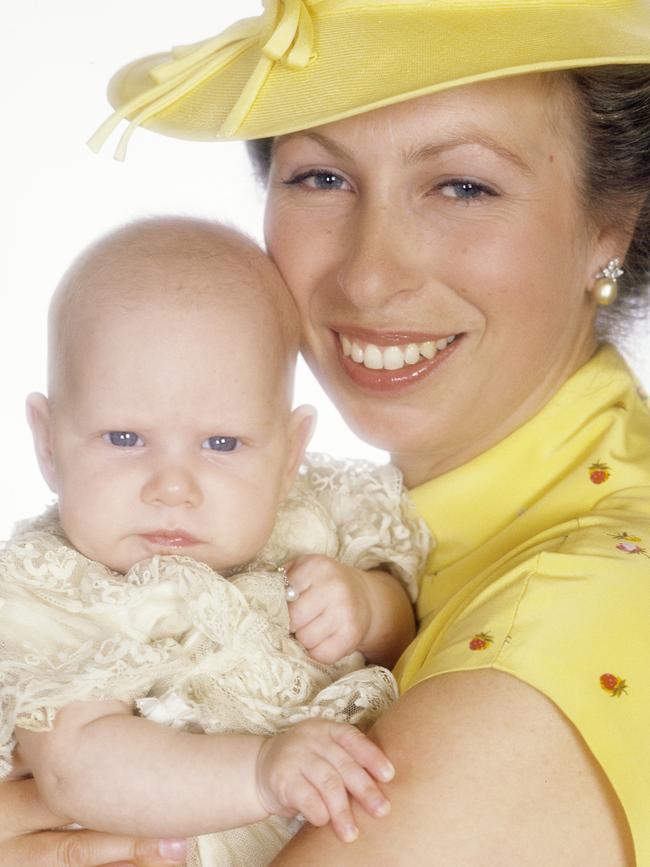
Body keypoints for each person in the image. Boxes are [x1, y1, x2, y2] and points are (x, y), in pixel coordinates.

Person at [3, 0, 650, 864]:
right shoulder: (340, 534)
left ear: (613, 226)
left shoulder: (570, 628)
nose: (371, 274)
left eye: (464, 185)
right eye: (322, 178)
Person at [0, 217, 430, 867]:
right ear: (48, 442)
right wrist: (259, 770)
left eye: (222, 444)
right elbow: (75, 766)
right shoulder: (46, 590)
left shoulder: (313, 524)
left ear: (289, 455)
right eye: (124, 438)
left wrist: (368, 607)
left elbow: (413, 633)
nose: (173, 486)